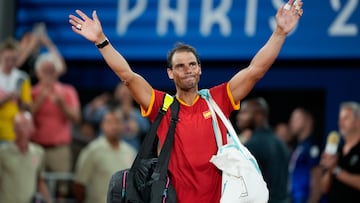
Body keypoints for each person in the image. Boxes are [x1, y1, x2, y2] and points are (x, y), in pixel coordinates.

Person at [68, 0, 303, 201]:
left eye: (192, 64)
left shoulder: (218, 99)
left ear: (200, 69)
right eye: (180, 66)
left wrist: (280, 33)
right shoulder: (163, 105)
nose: (187, 70)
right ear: (170, 73)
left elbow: (255, 70)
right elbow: (127, 76)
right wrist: (101, 41)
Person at [30, 52, 81, 198]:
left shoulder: (67, 91)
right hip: (36, 147)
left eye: (51, 71)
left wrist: (62, 105)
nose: (49, 74)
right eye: (45, 71)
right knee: (36, 187)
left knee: (61, 188)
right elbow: (26, 116)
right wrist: (40, 98)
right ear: (38, 72)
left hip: (60, 148)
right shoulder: (32, 92)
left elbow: (77, 118)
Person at [72, 109, 137, 203]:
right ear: (102, 125)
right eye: (109, 122)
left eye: (117, 122)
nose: (114, 126)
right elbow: (79, 185)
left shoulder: (130, 152)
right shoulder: (92, 150)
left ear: (123, 125)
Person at [236, 97, 291, 203]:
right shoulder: (281, 143)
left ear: (259, 116)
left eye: (245, 113)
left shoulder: (252, 145)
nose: (239, 117)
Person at [0, 111, 52, 203]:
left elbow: (40, 181)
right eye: (18, 125)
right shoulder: (3, 153)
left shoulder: (38, 152)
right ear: (14, 128)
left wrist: (48, 200)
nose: (21, 129)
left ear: (32, 128)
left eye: (25, 125)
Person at [320, 101, 360, 203]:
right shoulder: (337, 151)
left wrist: (336, 170)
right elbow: (324, 189)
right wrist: (329, 169)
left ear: (358, 121)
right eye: (340, 119)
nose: (340, 123)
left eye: (345, 118)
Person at [0, 37, 32, 143]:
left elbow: (26, 107)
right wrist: (7, 98)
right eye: (7, 59)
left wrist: (21, 102)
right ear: (1, 56)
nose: (10, 63)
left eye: (13, 59)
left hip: (13, 133)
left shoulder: (22, 78)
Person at [288, 107, 322, 203]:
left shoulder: (312, 147)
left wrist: (313, 200)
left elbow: (317, 176)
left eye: (296, 119)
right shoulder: (298, 147)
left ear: (308, 121)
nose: (291, 122)